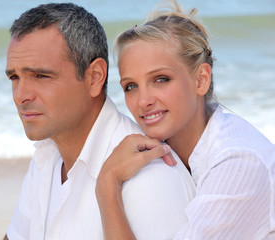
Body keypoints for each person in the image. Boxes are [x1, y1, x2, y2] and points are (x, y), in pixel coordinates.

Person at [3, 2, 195, 240]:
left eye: (41, 76)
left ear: (94, 78)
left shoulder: (152, 178)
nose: (21, 95)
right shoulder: (47, 156)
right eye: (14, 77)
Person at [95, 0, 275, 239]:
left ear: (201, 80)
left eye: (161, 79)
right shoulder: (176, 150)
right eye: (131, 86)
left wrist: (107, 185)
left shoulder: (237, 161)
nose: (143, 101)